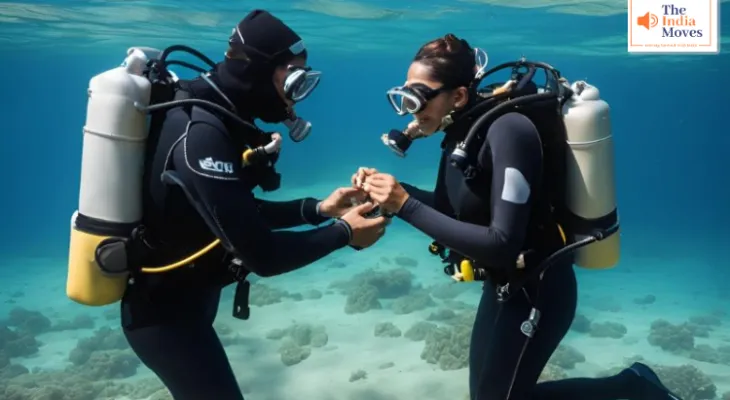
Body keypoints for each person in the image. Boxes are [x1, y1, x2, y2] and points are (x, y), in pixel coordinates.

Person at [353, 34, 680, 400]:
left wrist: (404, 205)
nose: (410, 112)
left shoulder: (510, 131)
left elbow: (502, 244)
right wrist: (394, 192)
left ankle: (631, 386)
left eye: (418, 97)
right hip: (504, 286)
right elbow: (447, 212)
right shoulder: (460, 137)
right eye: (404, 97)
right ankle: (632, 384)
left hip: (540, 287)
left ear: (458, 96)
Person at [121, 10, 388, 400]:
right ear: (258, 72)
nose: (296, 97)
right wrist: (344, 233)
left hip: (186, 302)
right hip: (163, 315)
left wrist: (319, 209)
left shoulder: (217, 116)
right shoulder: (202, 133)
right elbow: (262, 255)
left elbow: (229, 214)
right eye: (294, 80)